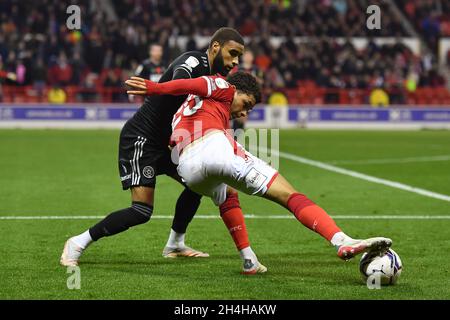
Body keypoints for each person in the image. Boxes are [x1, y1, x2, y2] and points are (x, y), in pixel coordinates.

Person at [125, 71, 393, 266]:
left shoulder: (191, 107)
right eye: (246, 104)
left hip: (188, 170)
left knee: (227, 195)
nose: (244, 113)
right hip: (211, 147)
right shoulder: (222, 85)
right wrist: (154, 87)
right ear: (237, 90)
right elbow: (188, 82)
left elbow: (187, 95)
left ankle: (249, 260)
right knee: (289, 195)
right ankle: (341, 240)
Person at [61, 28, 266, 274]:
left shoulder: (219, 83)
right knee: (141, 211)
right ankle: (77, 243)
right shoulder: (193, 61)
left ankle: (175, 244)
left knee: (199, 182)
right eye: (232, 53)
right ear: (215, 47)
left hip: (172, 143)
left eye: (238, 57)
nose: (234, 61)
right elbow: (178, 81)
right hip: (143, 139)